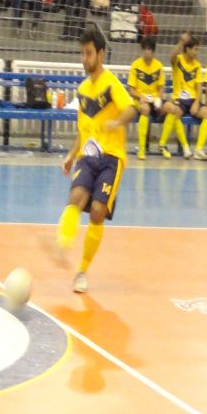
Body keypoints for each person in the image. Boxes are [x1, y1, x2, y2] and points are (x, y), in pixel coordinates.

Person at [55, 25, 136, 294]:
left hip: (112, 158)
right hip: (88, 157)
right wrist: (69, 155)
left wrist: (116, 122)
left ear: (100, 54)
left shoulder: (112, 84)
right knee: (75, 199)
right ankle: (63, 241)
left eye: (88, 53)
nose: (84, 59)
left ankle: (81, 271)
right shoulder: (81, 90)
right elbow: (82, 129)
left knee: (98, 211)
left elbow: (130, 110)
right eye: (82, 53)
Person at [127, 34, 178, 161]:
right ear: (142, 50)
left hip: (154, 99)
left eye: (150, 49)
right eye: (145, 49)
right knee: (145, 109)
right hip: (140, 100)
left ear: (153, 51)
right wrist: (141, 97)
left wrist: (159, 99)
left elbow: (161, 87)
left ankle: (162, 144)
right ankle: (142, 148)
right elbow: (131, 90)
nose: (147, 52)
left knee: (172, 108)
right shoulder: (135, 65)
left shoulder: (158, 66)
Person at [159, 32, 206, 160]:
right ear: (188, 49)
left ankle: (198, 150)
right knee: (174, 113)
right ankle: (183, 147)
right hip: (179, 99)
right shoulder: (178, 60)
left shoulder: (197, 65)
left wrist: (197, 102)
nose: (197, 52)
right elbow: (171, 57)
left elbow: (199, 88)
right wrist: (181, 42)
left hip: (192, 100)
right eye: (195, 49)